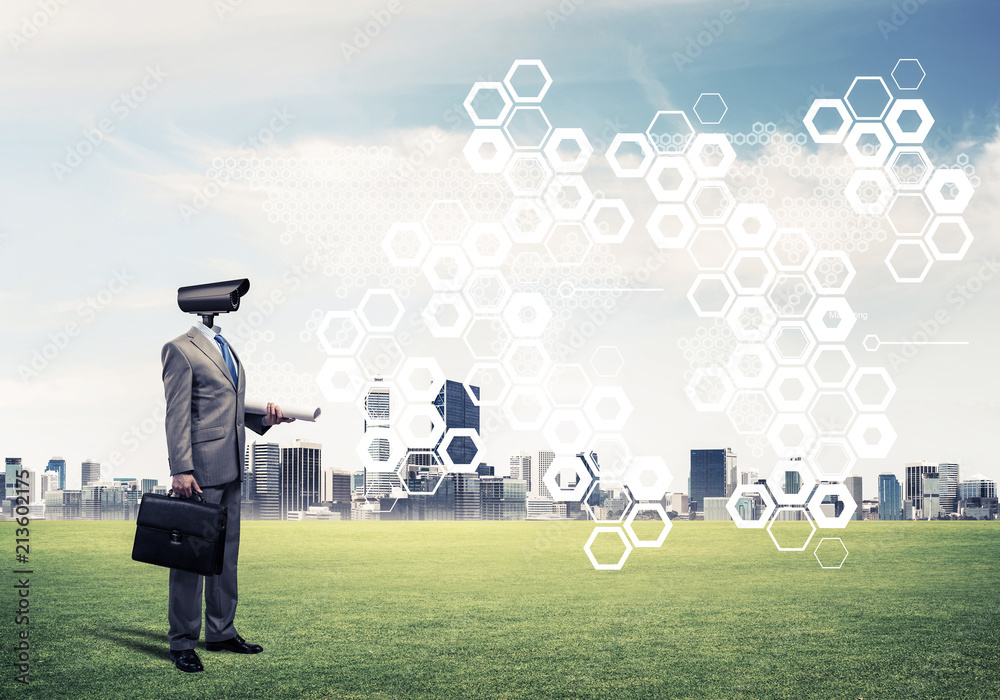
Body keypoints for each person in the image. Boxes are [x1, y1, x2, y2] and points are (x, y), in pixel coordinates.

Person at [161, 319, 293, 673]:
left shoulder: (225, 346)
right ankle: (183, 643)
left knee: (224, 557)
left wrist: (264, 420)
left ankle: (220, 632)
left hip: (232, 465)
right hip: (199, 470)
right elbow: (176, 412)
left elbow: (227, 406)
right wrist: (180, 468)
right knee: (191, 560)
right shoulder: (180, 348)